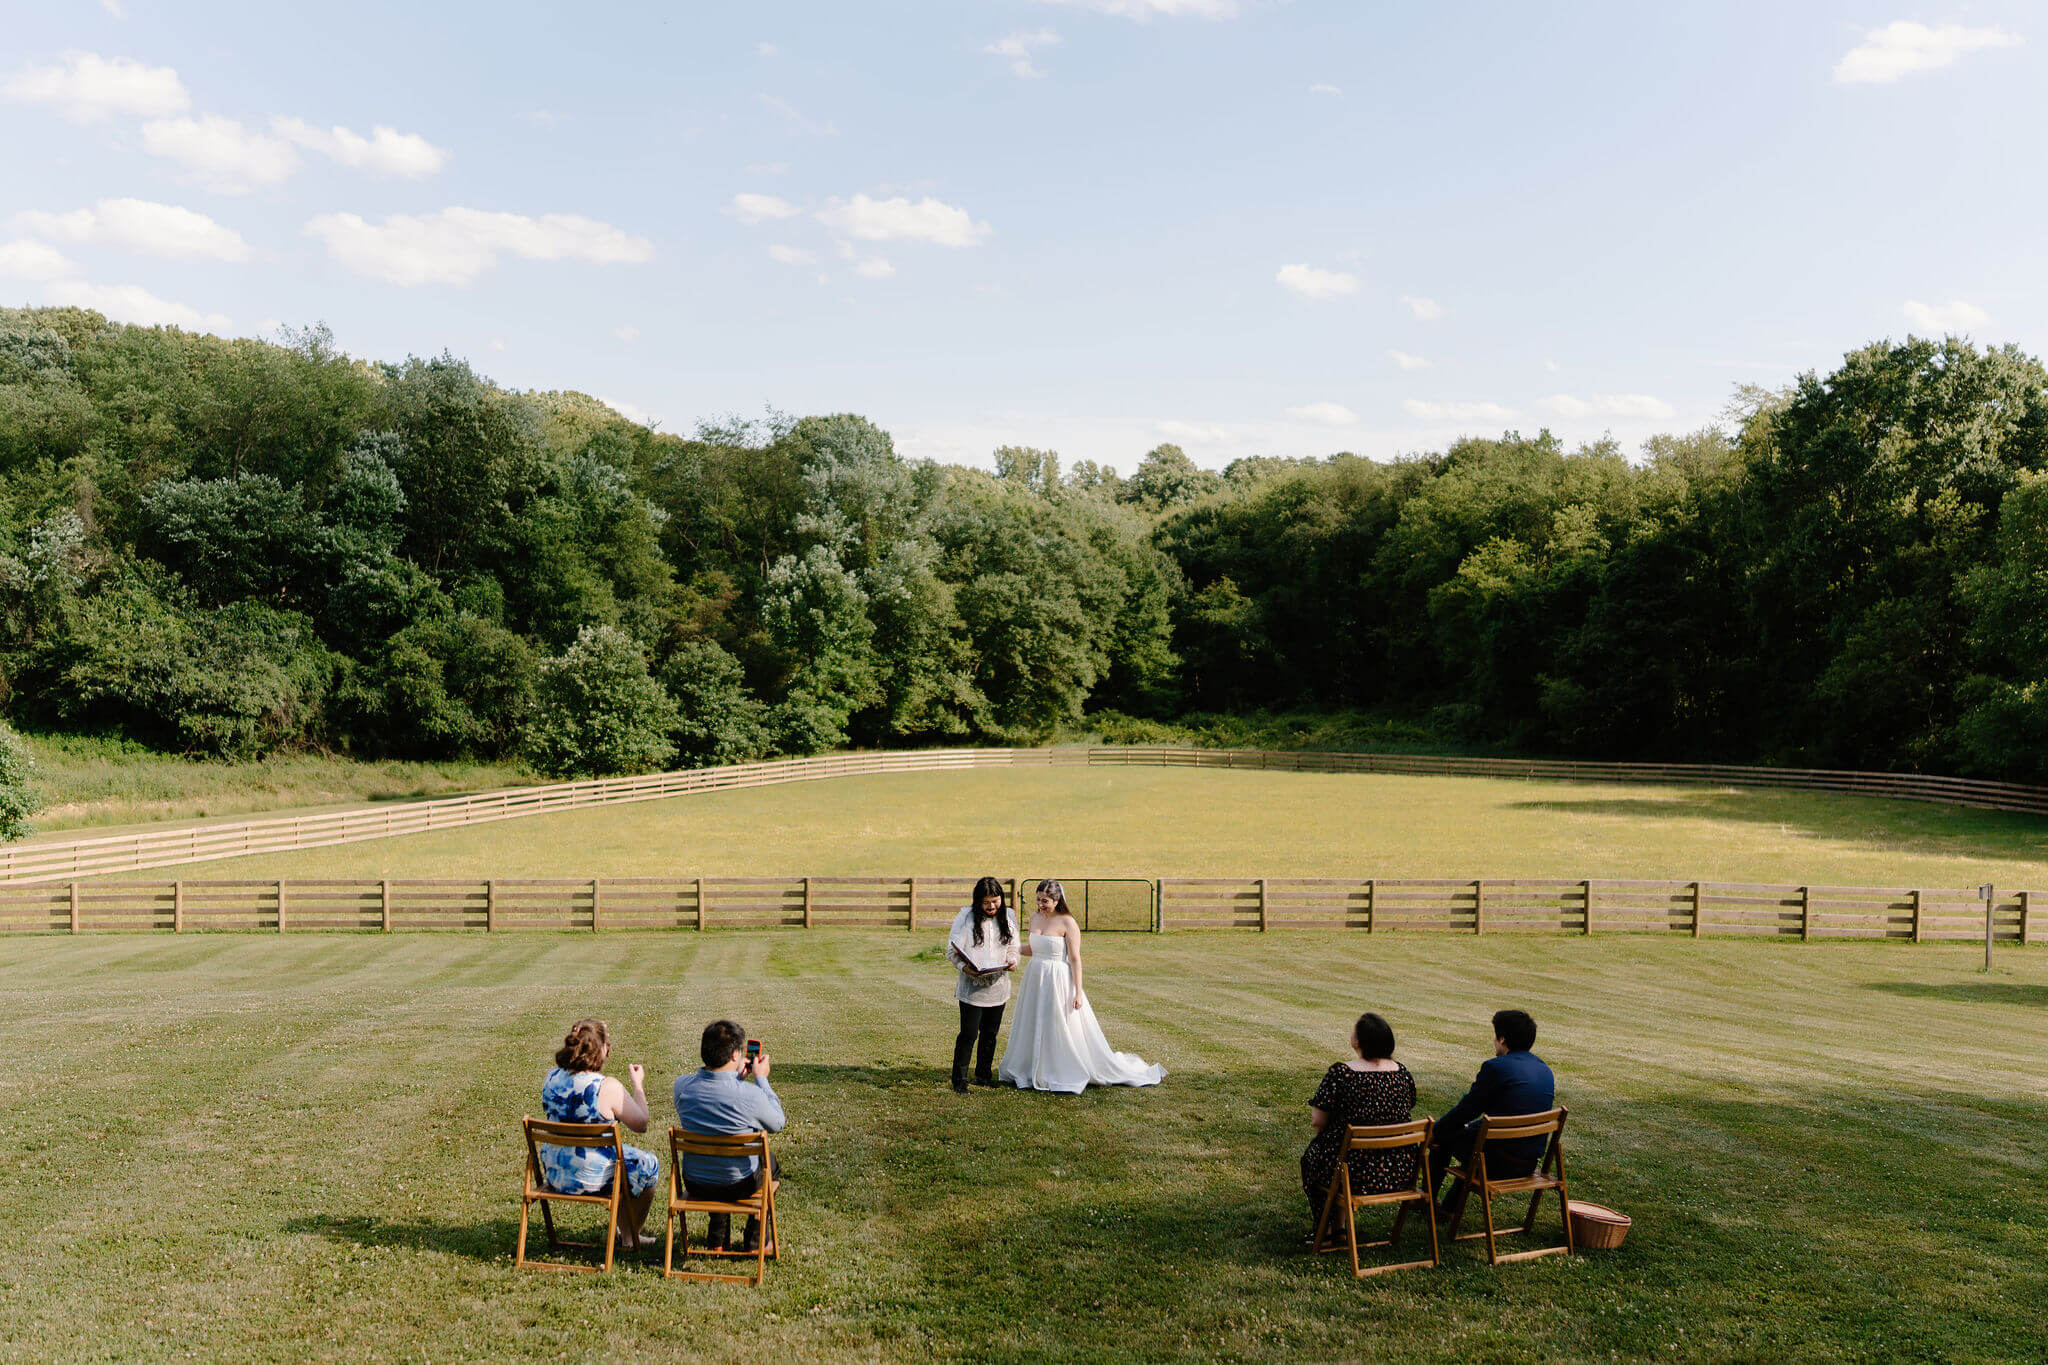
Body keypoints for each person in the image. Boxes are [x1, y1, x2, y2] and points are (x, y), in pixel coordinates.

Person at [998, 879, 1166, 1092]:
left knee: (1056, 1021)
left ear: (1057, 900)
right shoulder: (1034, 918)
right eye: (1038, 900)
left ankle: (1057, 1066)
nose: (1041, 904)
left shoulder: (1068, 922)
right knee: (1033, 1019)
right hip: (1035, 976)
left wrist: (1078, 992)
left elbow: (1075, 958)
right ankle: (1030, 1066)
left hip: (1058, 978)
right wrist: (1009, 950)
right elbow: (1034, 948)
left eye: (1046, 901)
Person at [538, 1018, 660, 1252]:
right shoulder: (607, 1086)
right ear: (603, 1049)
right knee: (648, 1164)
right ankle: (628, 1236)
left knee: (628, 1160)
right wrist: (638, 1086)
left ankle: (624, 1232)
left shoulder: (551, 1077)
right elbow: (641, 1124)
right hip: (593, 1177)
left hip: (555, 1173)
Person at [1301, 1011, 1418, 1240]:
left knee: (1317, 1160)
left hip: (1354, 1173)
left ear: (1357, 1041)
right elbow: (1409, 1104)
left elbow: (1318, 1120)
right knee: (1342, 1157)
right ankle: (1340, 1228)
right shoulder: (1402, 1073)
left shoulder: (1342, 1074)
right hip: (1399, 1171)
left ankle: (1324, 1228)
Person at [672, 1019, 786, 1253]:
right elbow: (777, 1123)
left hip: (696, 1183)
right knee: (769, 1163)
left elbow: (714, 1104)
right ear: (735, 1055)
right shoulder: (750, 1095)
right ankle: (756, 1242)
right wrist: (761, 1079)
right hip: (739, 1184)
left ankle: (717, 1239)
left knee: (715, 1151)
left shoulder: (682, 1087)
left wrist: (736, 1079)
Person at [1427, 1008, 1555, 1203]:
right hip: (1528, 1162)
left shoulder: (1496, 1067)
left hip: (1496, 1162)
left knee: (1444, 1138)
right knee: (1473, 1142)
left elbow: (1466, 1110)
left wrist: (1435, 1131)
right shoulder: (1545, 1070)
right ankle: (1447, 1209)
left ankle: (1427, 1199)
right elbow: (1507, 1116)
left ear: (1502, 1039)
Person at [945, 875, 1020, 1094]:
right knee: (968, 1035)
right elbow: (952, 950)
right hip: (972, 987)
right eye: (986, 902)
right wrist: (964, 968)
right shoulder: (966, 917)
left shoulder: (1009, 916)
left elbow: (1014, 947)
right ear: (978, 901)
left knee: (990, 1034)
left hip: (998, 986)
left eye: (995, 901)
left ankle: (984, 1075)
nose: (991, 906)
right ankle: (959, 1080)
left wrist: (1013, 961)